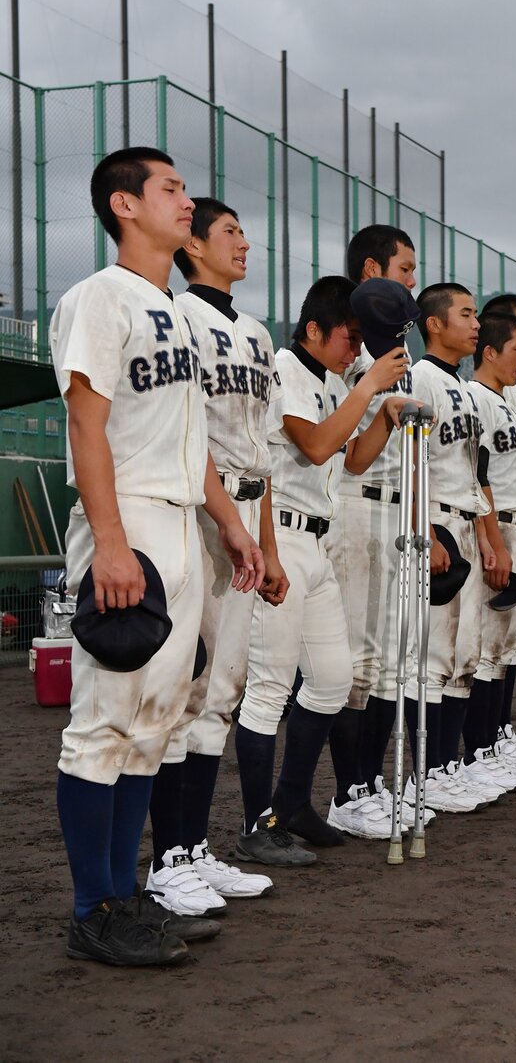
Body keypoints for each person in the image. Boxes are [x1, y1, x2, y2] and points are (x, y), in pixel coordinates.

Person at [49, 148, 263, 967]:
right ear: (124, 205)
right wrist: (108, 540)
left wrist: (231, 522)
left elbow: (189, 434)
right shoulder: (99, 296)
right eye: (169, 187)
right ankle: (90, 908)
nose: (185, 199)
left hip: (181, 520)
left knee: (155, 721)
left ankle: (125, 892)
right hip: (128, 516)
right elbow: (85, 424)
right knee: (104, 722)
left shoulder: (169, 305)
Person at [234, 276, 412, 865]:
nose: (356, 350)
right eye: (349, 337)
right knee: (267, 688)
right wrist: (368, 389)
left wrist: (382, 412)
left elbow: (353, 457)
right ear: (314, 330)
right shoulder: (283, 366)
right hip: (276, 534)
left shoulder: (337, 381)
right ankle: (257, 823)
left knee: (333, 680)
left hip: (317, 539)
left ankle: (291, 804)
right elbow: (312, 446)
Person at [143, 198, 288, 916]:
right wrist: (230, 522)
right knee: (181, 687)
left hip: (244, 503)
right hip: (196, 510)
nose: (243, 242)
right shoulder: (179, 319)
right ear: (192, 245)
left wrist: (265, 538)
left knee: (219, 691)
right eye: (228, 231)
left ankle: (193, 848)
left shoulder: (257, 332)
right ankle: (166, 858)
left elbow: (261, 446)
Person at [323, 225, 429, 837]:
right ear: (373, 269)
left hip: (401, 507)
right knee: (358, 660)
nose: (412, 282)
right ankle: (350, 790)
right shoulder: (348, 345)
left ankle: (374, 780)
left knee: (394, 657)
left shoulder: (397, 353)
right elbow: (344, 450)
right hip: (355, 504)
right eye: (405, 269)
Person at [405, 282, 504, 810]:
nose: (475, 323)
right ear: (435, 324)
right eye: (466, 314)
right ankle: (424, 775)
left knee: (464, 653)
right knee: (433, 656)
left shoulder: (462, 386)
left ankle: (445, 766)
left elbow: (479, 468)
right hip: (439, 521)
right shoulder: (419, 377)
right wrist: (432, 532)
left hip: (467, 520)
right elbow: (413, 464)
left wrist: (488, 537)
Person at [465, 312, 516, 784]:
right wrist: (493, 540)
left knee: (506, 646)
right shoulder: (477, 399)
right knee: (484, 648)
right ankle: (477, 752)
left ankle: (492, 741)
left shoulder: (508, 399)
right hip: (494, 528)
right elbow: (480, 476)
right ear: (490, 352)